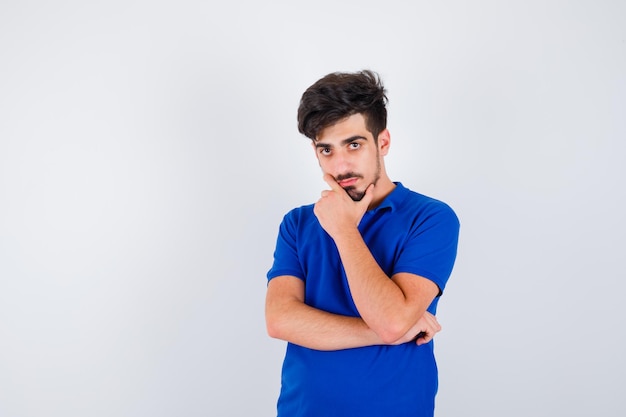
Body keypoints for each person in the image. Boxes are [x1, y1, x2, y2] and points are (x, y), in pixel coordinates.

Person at [265, 70, 460, 417]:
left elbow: (392, 321)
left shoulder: (430, 218)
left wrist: (344, 230)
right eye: (327, 149)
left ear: (382, 142)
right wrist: (388, 332)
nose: (340, 165)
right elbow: (280, 320)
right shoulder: (297, 223)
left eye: (354, 144)